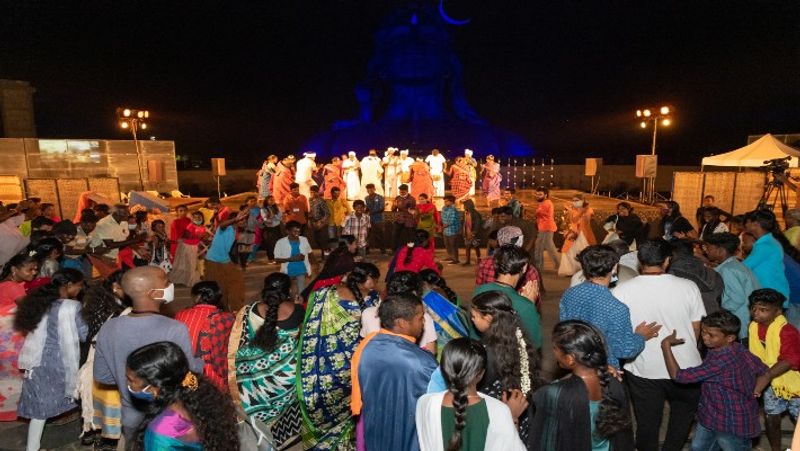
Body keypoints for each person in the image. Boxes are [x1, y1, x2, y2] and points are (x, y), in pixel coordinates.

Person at [611, 239, 705, 451]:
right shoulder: (689, 287)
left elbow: (619, 332)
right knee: (682, 418)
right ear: (667, 261)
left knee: (647, 423)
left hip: (643, 367)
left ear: (639, 261)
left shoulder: (621, 290)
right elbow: (696, 328)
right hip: (685, 365)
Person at [93, 266, 203, 444]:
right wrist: (200, 363)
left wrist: (130, 382)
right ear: (154, 293)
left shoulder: (109, 327)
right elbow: (188, 376)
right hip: (168, 418)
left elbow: (102, 376)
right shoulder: (174, 329)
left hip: (130, 415)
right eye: (167, 282)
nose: (171, 285)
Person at [661, 310, 767, 451]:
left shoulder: (721, 361)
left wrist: (666, 345)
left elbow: (679, 376)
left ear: (729, 338)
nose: (705, 337)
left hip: (731, 423)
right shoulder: (737, 348)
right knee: (698, 447)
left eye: (711, 335)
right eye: (704, 332)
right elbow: (764, 371)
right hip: (711, 416)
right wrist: (756, 390)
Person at [351, 293, 438, 451]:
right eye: (420, 318)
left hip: (375, 431)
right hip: (408, 435)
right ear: (402, 323)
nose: (424, 322)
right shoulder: (421, 362)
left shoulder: (366, 347)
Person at [297, 265, 370, 450]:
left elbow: (310, 327)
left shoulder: (322, 294)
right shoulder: (370, 303)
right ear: (366, 281)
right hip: (352, 368)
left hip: (321, 367)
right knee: (350, 406)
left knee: (321, 405)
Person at [228, 273, 305, 449]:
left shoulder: (250, 309)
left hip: (253, 374)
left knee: (254, 408)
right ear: (289, 290)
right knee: (285, 410)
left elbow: (242, 338)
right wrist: (298, 304)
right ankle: (279, 436)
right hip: (286, 375)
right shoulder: (298, 310)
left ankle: (259, 434)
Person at [531, 320, 634, 451]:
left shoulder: (555, 393)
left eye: (555, 348)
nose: (553, 353)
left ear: (570, 359)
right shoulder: (613, 382)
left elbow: (546, 441)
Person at [15, 269, 87, 451]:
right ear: (69, 286)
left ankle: (33, 447)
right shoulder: (72, 306)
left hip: (37, 360)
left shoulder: (41, 302)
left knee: (39, 410)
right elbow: (84, 334)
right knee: (79, 396)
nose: (80, 290)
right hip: (59, 362)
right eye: (79, 286)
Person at [416, 338, 527, 451]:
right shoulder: (498, 411)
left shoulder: (424, 404)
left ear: (443, 370)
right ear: (481, 374)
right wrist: (512, 418)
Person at [560, 245, 660, 370]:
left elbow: (563, 331)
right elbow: (623, 350)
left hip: (575, 364)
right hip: (604, 371)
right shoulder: (616, 308)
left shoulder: (569, 294)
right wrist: (640, 336)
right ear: (614, 268)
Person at [125, 342, 239, 450]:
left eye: (131, 380)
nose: (127, 383)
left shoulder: (160, 432)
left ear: (155, 388)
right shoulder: (201, 398)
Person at [469, 290, 541, 448]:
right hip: (520, 405)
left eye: (474, 316)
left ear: (488, 318)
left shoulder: (486, 352)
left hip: (499, 409)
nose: (472, 321)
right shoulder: (519, 337)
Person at [77, 270, 129, 450]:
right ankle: (101, 436)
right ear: (116, 288)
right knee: (105, 399)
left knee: (100, 399)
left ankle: (96, 433)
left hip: (98, 354)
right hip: (100, 356)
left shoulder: (109, 301)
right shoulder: (107, 308)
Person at [747, 288, 800, 451]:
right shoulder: (754, 327)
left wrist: (766, 375)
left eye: (763, 310)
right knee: (771, 417)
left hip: (793, 383)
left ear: (777, 311)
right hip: (772, 381)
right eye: (753, 308)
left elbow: (791, 359)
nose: (756, 313)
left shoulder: (787, 330)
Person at [473, 244, 542, 346]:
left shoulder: (479, 291)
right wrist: (530, 305)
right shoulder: (524, 305)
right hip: (508, 358)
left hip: (479, 352)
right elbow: (534, 343)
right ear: (524, 267)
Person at [174, 281, 234, 391]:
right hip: (215, 377)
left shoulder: (181, 314)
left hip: (188, 374)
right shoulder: (227, 318)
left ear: (196, 297)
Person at [361, 270, 437, 354]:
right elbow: (431, 353)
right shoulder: (422, 318)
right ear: (415, 293)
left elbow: (365, 346)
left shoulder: (368, 313)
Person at [0, 253, 37, 422]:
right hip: (10, 341)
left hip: (5, 337)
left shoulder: (5, 284)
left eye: (35, 269)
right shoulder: (13, 287)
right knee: (16, 373)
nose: (34, 272)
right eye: (30, 269)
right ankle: (14, 409)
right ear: (15, 269)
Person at [703, 232, 759, 339]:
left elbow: (737, 299)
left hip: (742, 318)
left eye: (709, 248)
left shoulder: (728, 270)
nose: (706, 251)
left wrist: (718, 310)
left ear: (720, 251)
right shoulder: (734, 265)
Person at [204, 208, 248, 312]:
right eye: (242, 220)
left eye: (244, 220)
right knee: (218, 286)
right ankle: (222, 309)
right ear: (235, 220)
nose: (244, 222)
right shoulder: (226, 228)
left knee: (236, 282)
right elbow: (221, 225)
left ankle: (235, 307)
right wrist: (235, 219)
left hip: (224, 260)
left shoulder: (234, 230)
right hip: (213, 260)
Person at [668, 239, 724, 314]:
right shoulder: (714, 273)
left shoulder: (671, 274)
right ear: (692, 252)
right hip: (711, 320)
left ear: (673, 253)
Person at [744, 209, 790, 299]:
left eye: (747, 222)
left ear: (755, 224)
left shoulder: (765, 245)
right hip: (770, 293)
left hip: (772, 297)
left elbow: (743, 268)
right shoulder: (766, 242)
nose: (745, 224)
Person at [274, 221, 313, 296]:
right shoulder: (280, 242)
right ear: (287, 231)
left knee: (301, 291)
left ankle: (299, 306)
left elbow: (310, 252)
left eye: (299, 231)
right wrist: (290, 259)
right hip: (288, 271)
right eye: (294, 231)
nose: (297, 233)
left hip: (301, 270)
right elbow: (276, 259)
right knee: (288, 291)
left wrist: (310, 269)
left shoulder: (304, 240)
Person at [170, 211, 206, 287]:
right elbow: (186, 236)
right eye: (195, 217)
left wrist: (201, 237)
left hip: (194, 247)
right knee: (188, 264)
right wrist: (197, 235)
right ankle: (185, 280)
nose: (197, 218)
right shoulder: (191, 226)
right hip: (187, 246)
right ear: (192, 218)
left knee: (191, 264)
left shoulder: (203, 227)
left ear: (202, 218)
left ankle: (187, 279)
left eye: (199, 217)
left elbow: (201, 238)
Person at [533, 187, 560, 271]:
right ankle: (558, 264)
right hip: (545, 227)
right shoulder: (544, 203)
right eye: (536, 194)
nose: (537, 196)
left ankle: (539, 266)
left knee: (539, 246)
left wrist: (535, 213)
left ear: (546, 195)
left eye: (540, 194)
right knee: (548, 246)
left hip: (546, 228)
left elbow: (539, 213)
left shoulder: (546, 203)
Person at [0, 204, 31, 269]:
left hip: (18, 258)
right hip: (5, 263)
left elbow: (28, 216)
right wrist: (15, 210)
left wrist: (32, 207)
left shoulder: (9, 221)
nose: (3, 208)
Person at [308, 185, 331, 257]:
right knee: (316, 240)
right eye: (311, 192)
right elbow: (311, 211)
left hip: (322, 223)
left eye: (314, 192)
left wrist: (321, 222)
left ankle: (326, 257)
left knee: (324, 241)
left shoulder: (321, 200)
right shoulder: (310, 200)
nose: (312, 194)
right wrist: (309, 220)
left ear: (317, 192)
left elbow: (327, 213)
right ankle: (323, 254)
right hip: (314, 222)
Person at [259, 195, 283, 264]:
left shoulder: (277, 208)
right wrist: (271, 218)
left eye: (273, 200)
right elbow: (265, 220)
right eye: (270, 200)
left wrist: (273, 216)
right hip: (269, 228)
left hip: (277, 227)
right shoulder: (263, 209)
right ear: (266, 201)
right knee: (270, 244)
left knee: (278, 243)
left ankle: (278, 257)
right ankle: (271, 258)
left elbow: (280, 218)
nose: (272, 201)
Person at [364, 183, 386, 255]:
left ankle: (383, 251)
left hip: (378, 219)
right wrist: (364, 211)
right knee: (367, 235)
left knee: (380, 235)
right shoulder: (366, 198)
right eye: (368, 189)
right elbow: (367, 208)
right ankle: (367, 250)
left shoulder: (380, 197)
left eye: (371, 188)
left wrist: (371, 213)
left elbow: (382, 208)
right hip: (369, 220)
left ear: (374, 189)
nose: (369, 190)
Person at [441, 195, 462, 264]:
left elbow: (451, 221)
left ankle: (456, 259)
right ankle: (451, 257)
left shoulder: (454, 209)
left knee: (453, 245)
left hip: (453, 231)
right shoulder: (444, 208)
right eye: (444, 201)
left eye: (446, 201)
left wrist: (442, 227)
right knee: (447, 245)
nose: (445, 202)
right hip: (446, 230)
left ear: (451, 202)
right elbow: (443, 218)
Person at [462, 199, 483, 266]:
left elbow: (477, 224)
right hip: (468, 234)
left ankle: (479, 259)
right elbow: (465, 223)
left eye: (465, 205)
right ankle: (468, 261)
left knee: (476, 246)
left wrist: (474, 233)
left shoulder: (475, 214)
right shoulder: (466, 213)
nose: (464, 207)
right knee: (468, 247)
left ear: (469, 205)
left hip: (474, 234)